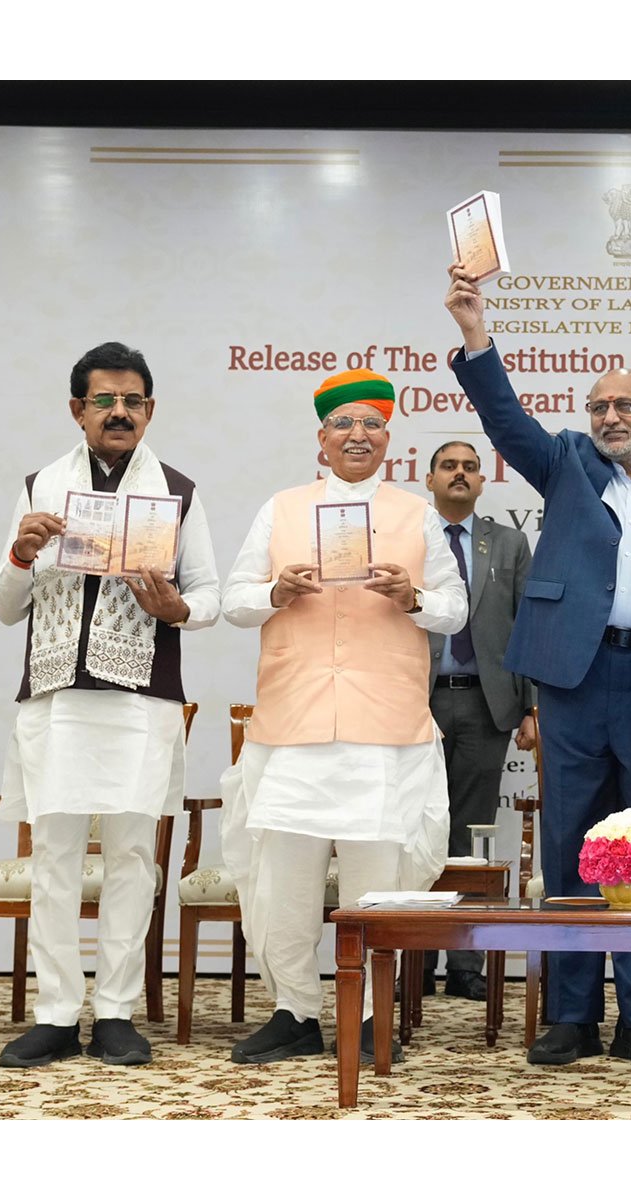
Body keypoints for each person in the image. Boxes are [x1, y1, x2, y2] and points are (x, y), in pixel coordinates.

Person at [445, 262, 631, 1070]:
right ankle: (571, 1013)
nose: (612, 417)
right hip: (575, 682)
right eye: (600, 406)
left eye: (626, 405)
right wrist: (477, 333)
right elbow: (506, 420)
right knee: (575, 845)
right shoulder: (567, 464)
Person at [220, 368, 466, 1065]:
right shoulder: (282, 508)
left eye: (372, 424)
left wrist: (412, 595)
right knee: (285, 882)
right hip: (293, 722)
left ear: (389, 438)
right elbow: (237, 600)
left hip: (381, 727)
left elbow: (456, 609)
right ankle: (294, 1011)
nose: (358, 435)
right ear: (321, 439)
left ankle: (365, 1015)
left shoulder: (415, 513)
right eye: (343, 425)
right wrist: (277, 588)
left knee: (375, 886)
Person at [0, 340, 219, 1068]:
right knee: (54, 860)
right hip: (56, 700)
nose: (119, 413)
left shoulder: (178, 491)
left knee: (131, 860)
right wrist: (21, 554)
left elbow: (209, 597)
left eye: (132, 401)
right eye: (104, 400)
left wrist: (176, 606)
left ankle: (117, 1010)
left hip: (140, 703)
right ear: (76, 410)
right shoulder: (39, 487)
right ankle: (57, 1013)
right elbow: (3, 607)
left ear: (150, 410)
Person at [421, 440, 537, 1001]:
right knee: (414, 830)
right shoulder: (409, 536)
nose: (460, 474)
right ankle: (412, 960)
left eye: (470, 467)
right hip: (413, 701)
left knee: (471, 833)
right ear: (430, 478)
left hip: (484, 702)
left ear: (482, 483)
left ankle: (464, 962)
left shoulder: (509, 543)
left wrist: (533, 704)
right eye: (450, 466)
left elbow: (530, 624)